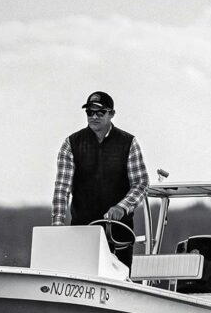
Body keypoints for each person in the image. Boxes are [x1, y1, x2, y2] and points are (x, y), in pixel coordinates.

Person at [51, 91, 148, 268]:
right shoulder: (70, 143)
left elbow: (141, 183)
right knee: (81, 275)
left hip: (120, 232)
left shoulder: (129, 143)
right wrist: (57, 222)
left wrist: (122, 206)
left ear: (111, 114)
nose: (94, 116)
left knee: (120, 278)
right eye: (89, 112)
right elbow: (62, 188)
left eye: (100, 112)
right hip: (82, 230)